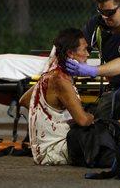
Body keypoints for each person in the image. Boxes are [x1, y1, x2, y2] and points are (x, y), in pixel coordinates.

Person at [20, 28, 94, 165]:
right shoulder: (60, 80)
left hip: (44, 149)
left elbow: (24, 100)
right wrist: (94, 116)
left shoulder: (50, 76)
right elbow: (83, 120)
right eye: (84, 49)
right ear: (70, 53)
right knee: (107, 134)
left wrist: (53, 115)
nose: (87, 54)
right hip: (55, 150)